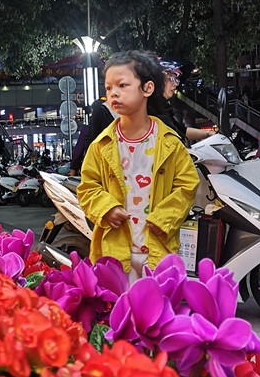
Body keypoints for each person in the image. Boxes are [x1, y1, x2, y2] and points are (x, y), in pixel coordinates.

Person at [77, 50, 199, 281]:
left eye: (122, 85)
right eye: (108, 88)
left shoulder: (170, 143)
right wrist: (106, 208)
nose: (113, 93)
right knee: (116, 302)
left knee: (156, 302)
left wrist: (164, 218)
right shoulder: (101, 145)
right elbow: (87, 187)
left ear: (147, 88)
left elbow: (187, 185)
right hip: (114, 253)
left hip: (157, 251)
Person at [160, 61, 216, 144]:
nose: (175, 84)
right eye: (171, 78)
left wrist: (210, 134)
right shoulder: (148, 111)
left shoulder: (162, 109)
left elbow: (180, 130)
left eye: (176, 80)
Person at [69, 99, 116, 176]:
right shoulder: (116, 128)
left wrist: (72, 173)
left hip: (94, 169)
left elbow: (78, 153)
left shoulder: (87, 130)